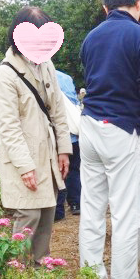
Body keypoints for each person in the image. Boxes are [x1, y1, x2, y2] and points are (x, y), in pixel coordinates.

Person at [79, 0, 140, 279]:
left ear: (105, 7)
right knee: (128, 213)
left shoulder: (91, 38)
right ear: (139, 3)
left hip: (89, 128)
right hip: (121, 131)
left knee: (92, 207)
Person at [0, 6, 72, 266]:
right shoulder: (5, 73)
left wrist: (63, 149)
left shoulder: (46, 64)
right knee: (28, 215)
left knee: (48, 212)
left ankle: (40, 268)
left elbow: (58, 110)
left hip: (47, 152)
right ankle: (19, 274)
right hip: (23, 157)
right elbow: (9, 126)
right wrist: (25, 166)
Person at [54, 69, 82, 221]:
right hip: (74, 134)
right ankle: (76, 203)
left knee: (58, 171)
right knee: (74, 170)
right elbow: (75, 102)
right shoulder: (66, 77)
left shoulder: (42, 75)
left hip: (59, 135)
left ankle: (58, 209)